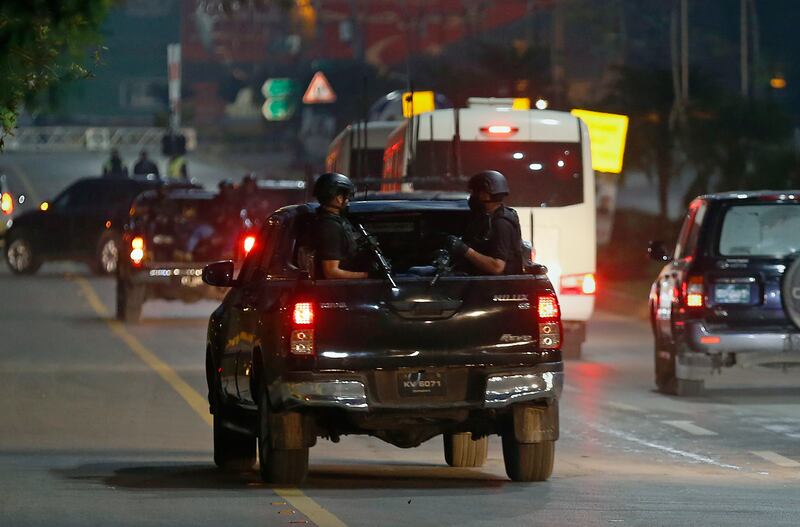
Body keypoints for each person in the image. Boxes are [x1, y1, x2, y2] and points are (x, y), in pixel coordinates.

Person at [445, 170, 523, 275]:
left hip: (494, 287)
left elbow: (497, 267)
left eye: (474, 192)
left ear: (485, 195)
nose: (472, 197)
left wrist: (464, 250)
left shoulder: (501, 223)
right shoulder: (485, 218)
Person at [312, 172, 369, 280]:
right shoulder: (330, 226)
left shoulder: (328, 220)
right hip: (339, 292)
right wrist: (367, 276)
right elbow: (331, 272)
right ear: (338, 198)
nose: (347, 200)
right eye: (346, 196)